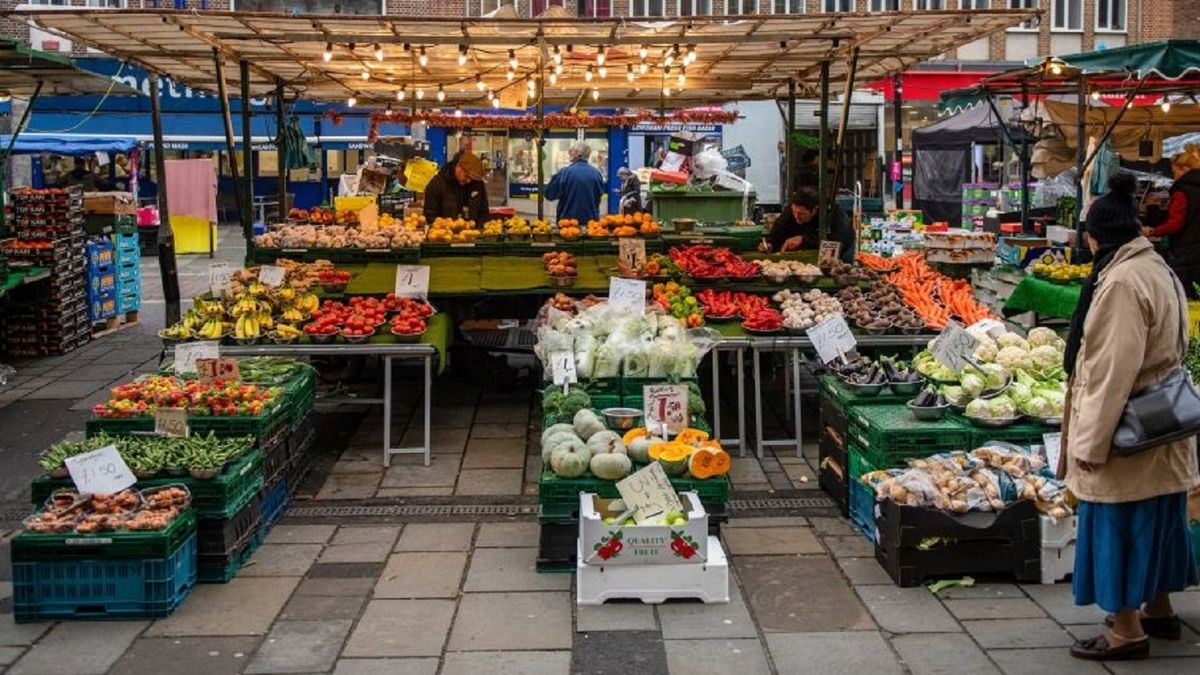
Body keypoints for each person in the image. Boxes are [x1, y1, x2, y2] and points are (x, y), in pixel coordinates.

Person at [1062, 171, 1199, 662]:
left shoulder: (1121, 281)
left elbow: (1110, 373)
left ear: (1096, 236)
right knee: (1159, 519)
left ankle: (1125, 630)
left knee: (1117, 523)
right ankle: (1158, 609)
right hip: (1165, 417)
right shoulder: (1155, 265)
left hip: (1130, 425)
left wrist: (1089, 446)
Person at [1142, 146, 1200, 299]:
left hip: (1186, 253)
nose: (1173, 176)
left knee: (1185, 297)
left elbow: (1176, 224)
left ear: (1184, 169)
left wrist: (1152, 231)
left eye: (1174, 172)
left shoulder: (1182, 192)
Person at [761, 188, 856, 263]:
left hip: (843, 246)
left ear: (814, 210)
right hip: (810, 249)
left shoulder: (831, 213)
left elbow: (835, 240)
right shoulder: (791, 210)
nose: (796, 217)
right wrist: (770, 243)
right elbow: (778, 231)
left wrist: (803, 239)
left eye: (802, 214)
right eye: (794, 212)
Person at [545, 141, 605, 224]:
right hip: (591, 225)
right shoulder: (597, 174)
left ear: (578, 153)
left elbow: (549, 195)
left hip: (568, 224)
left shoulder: (564, 173)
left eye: (571, 150)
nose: (569, 152)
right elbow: (598, 198)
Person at [422, 150, 489, 225]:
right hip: (445, 233)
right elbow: (429, 215)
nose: (469, 181)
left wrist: (478, 228)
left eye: (472, 179)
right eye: (467, 176)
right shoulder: (437, 184)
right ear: (458, 167)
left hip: (474, 233)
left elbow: (484, 211)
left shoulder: (477, 184)